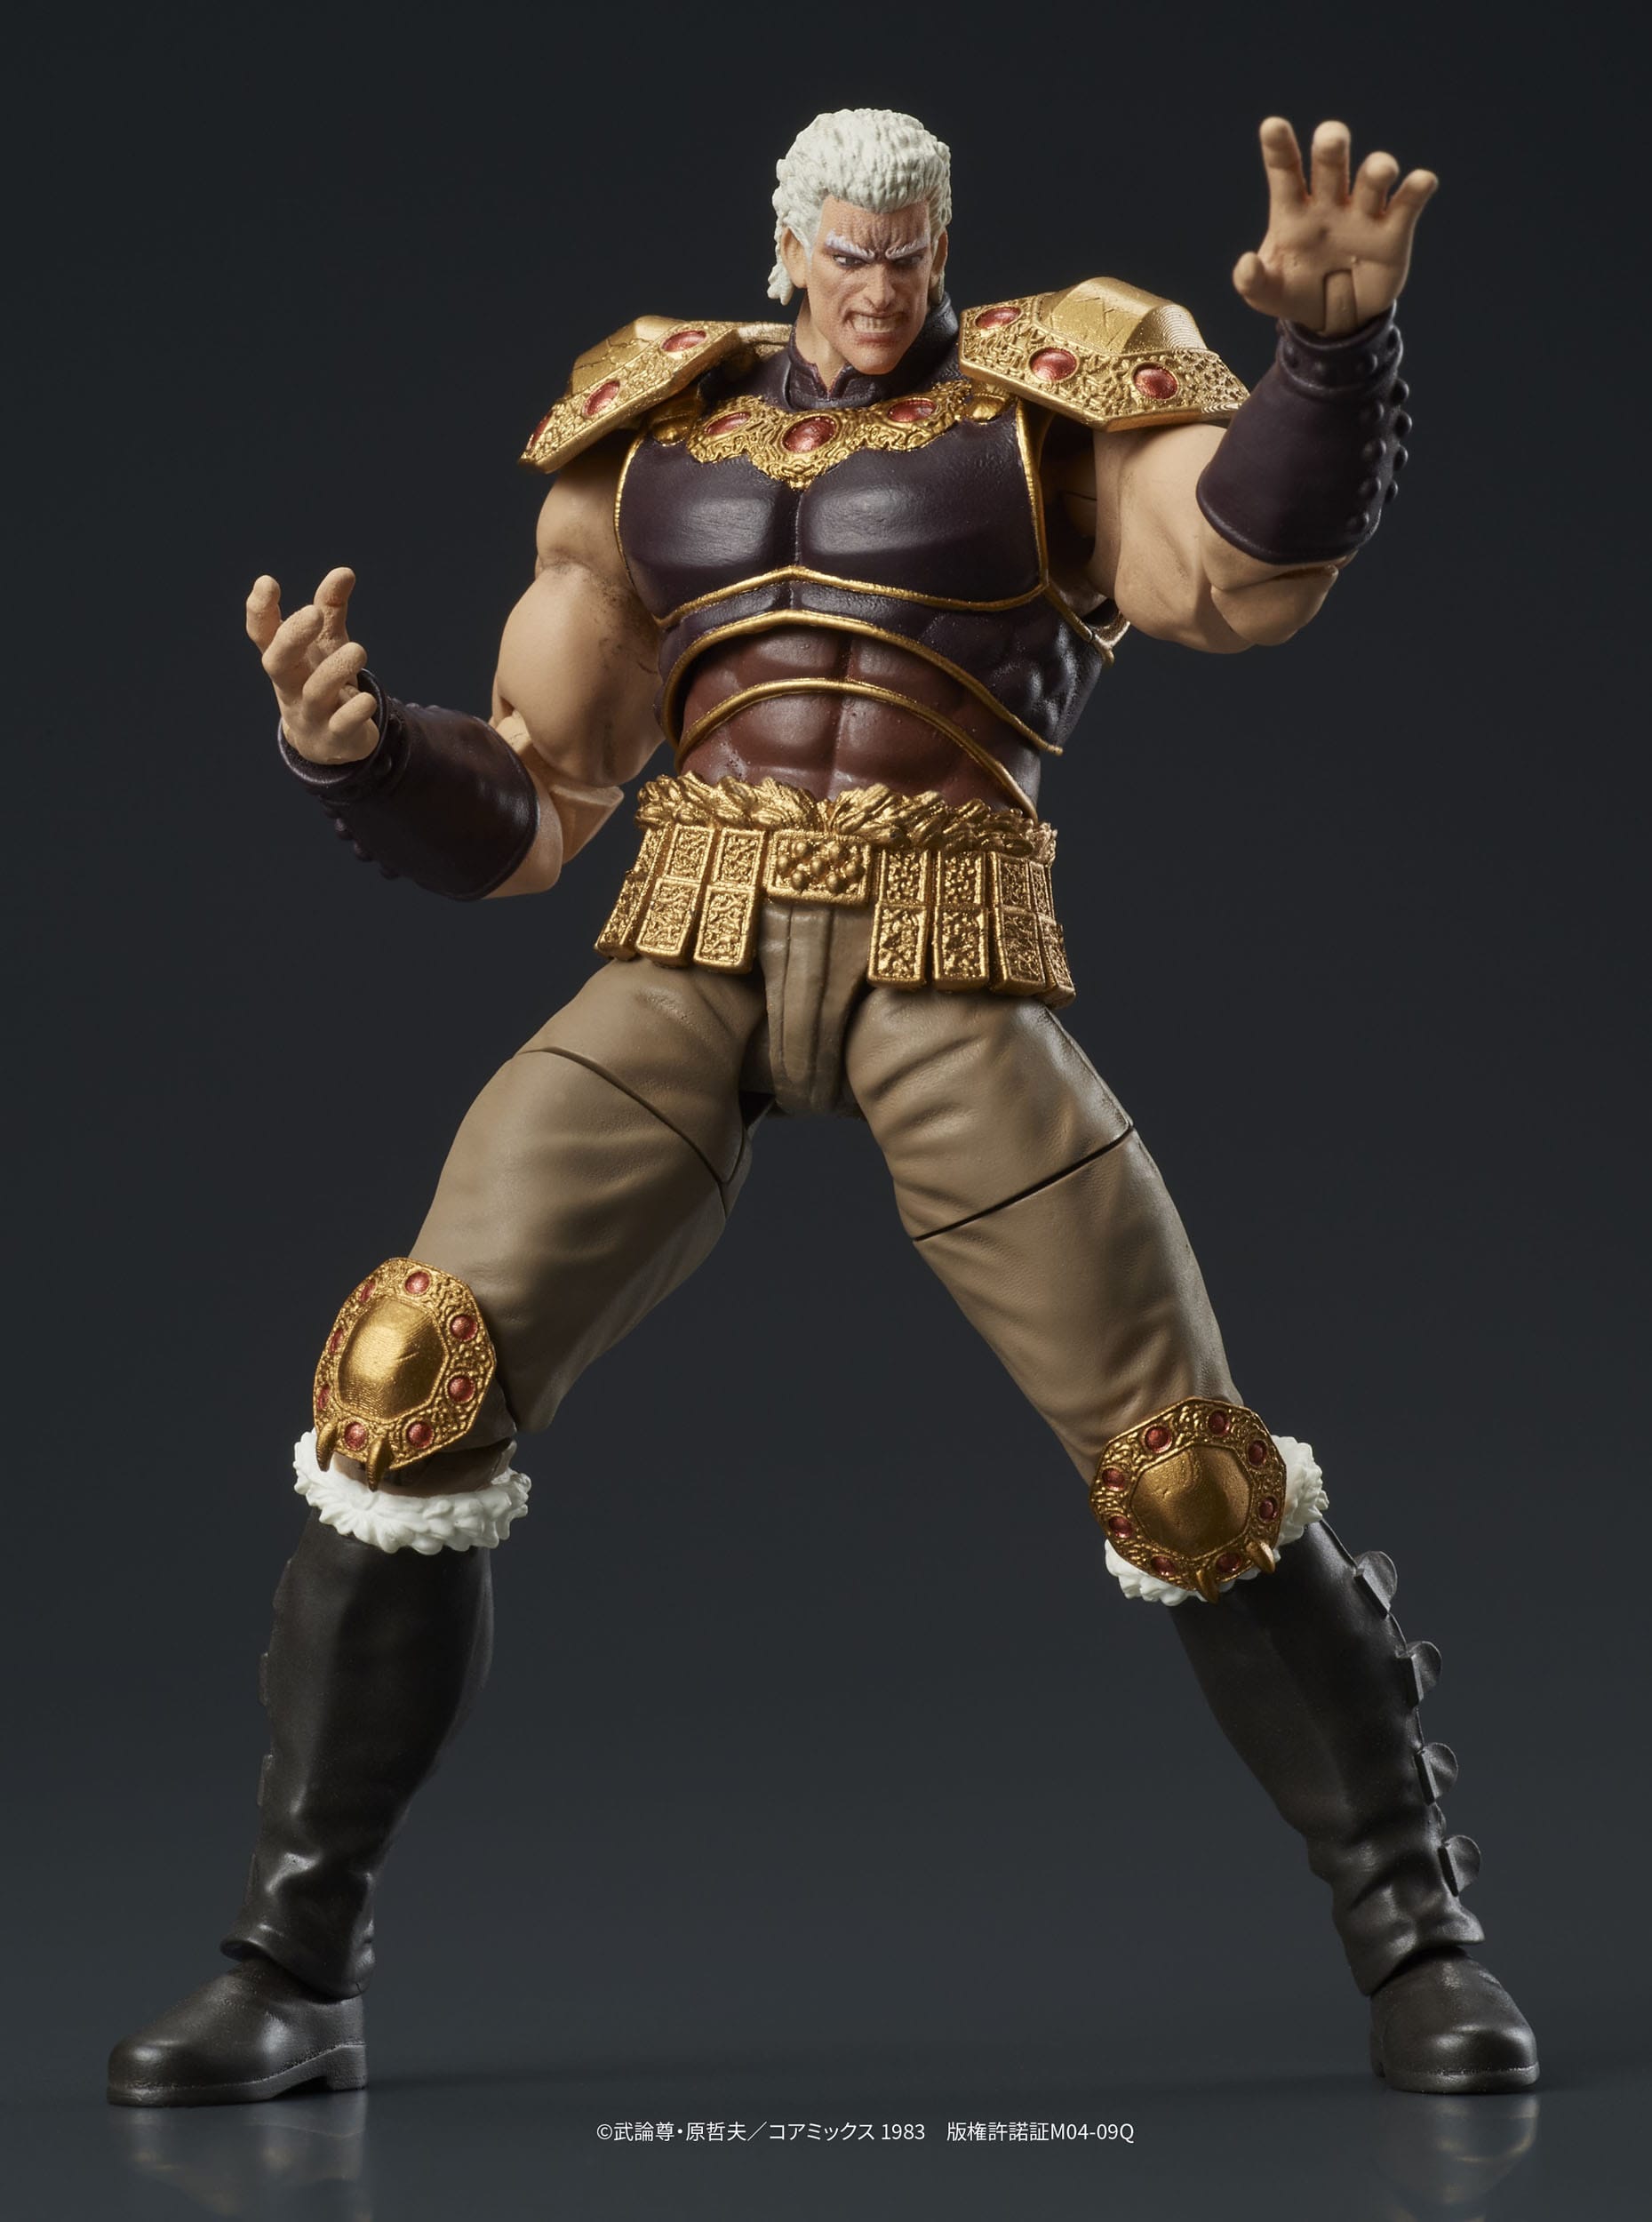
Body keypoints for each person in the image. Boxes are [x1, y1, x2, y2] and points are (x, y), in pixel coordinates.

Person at [108, 107, 1537, 2106]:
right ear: (785, 246)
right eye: (848, 251)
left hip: (947, 947)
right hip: (687, 936)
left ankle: (1419, 1934)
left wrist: (1329, 355)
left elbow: (1236, 561)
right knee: (403, 1371)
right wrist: (362, 757)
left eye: (910, 249)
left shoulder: (1051, 403)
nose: (880, 284)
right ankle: (292, 1962)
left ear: (947, 243)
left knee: (1190, 1471)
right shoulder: (650, 433)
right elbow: (545, 794)